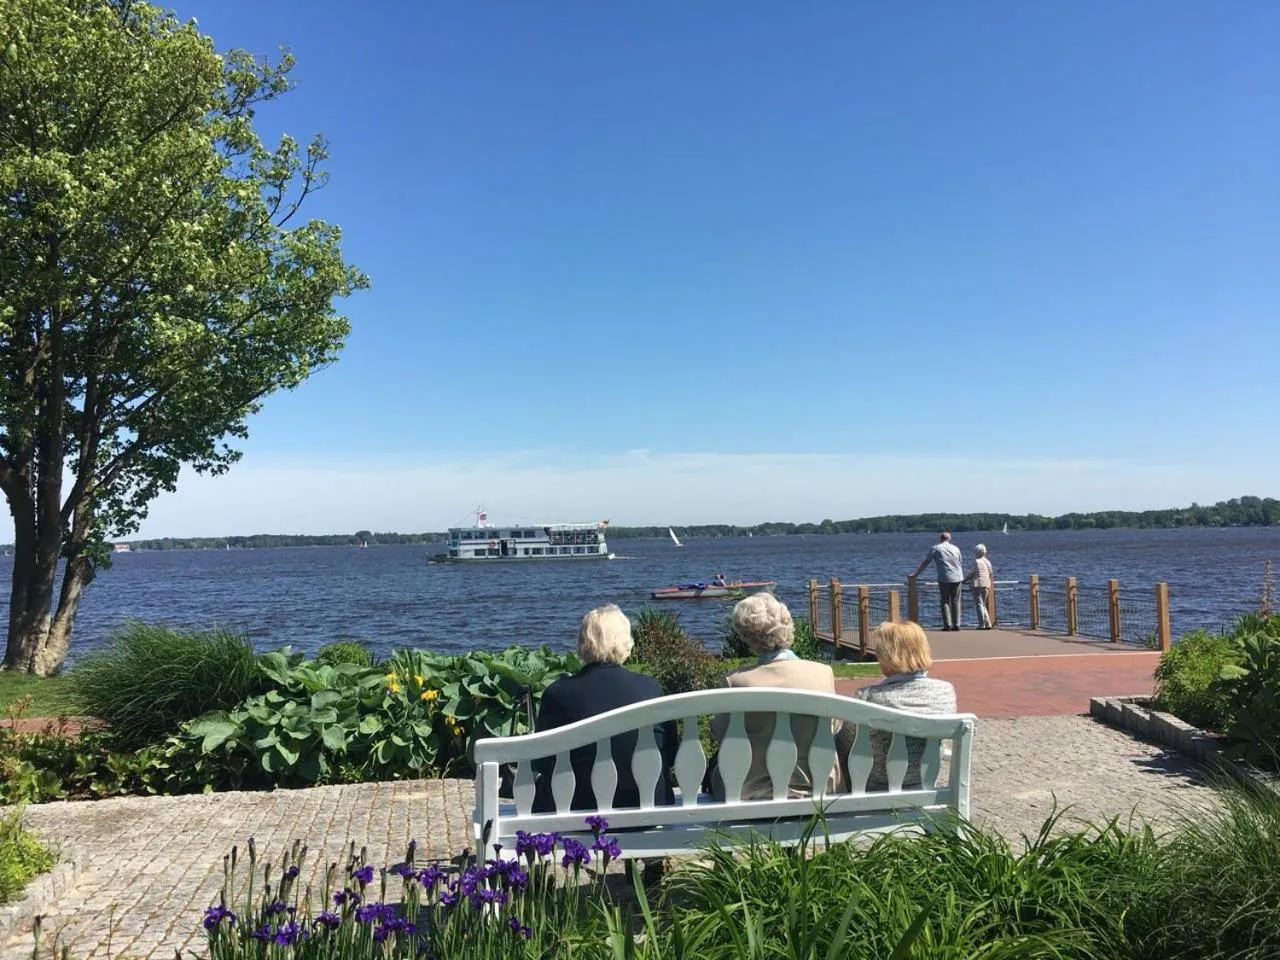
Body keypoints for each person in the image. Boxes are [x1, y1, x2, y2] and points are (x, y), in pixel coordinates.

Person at [531, 604, 676, 812]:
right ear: (626, 643)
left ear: (582, 643)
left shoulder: (558, 694)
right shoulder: (650, 688)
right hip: (646, 806)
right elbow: (669, 752)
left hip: (575, 808)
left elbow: (542, 761)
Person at [710, 593, 840, 801]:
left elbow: (719, 733)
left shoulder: (736, 681)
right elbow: (834, 727)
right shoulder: (823, 673)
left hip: (751, 791)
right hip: (817, 786)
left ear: (745, 635)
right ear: (787, 624)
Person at [850, 621, 957, 791]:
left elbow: (848, 742)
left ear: (886, 657)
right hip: (925, 784)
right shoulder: (945, 692)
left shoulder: (869, 697)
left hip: (876, 789)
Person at [912, 531, 965, 630]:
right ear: (949, 539)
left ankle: (947, 625)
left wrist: (916, 574)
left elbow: (926, 562)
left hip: (944, 577)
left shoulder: (936, 548)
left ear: (940, 538)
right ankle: (957, 624)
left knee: (945, 601)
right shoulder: (956, 548)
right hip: (958, 577)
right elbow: (960, 561)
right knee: (956, 601)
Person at [965, 544, 994, 630]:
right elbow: (991, 573)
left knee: (979, 604)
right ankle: (988, 623)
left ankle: (982, 624)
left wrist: (965, 579)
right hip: (986, 584)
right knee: (983, 604)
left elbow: (972, 573)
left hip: (977, 584)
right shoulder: (988, 562)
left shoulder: (977, 561)